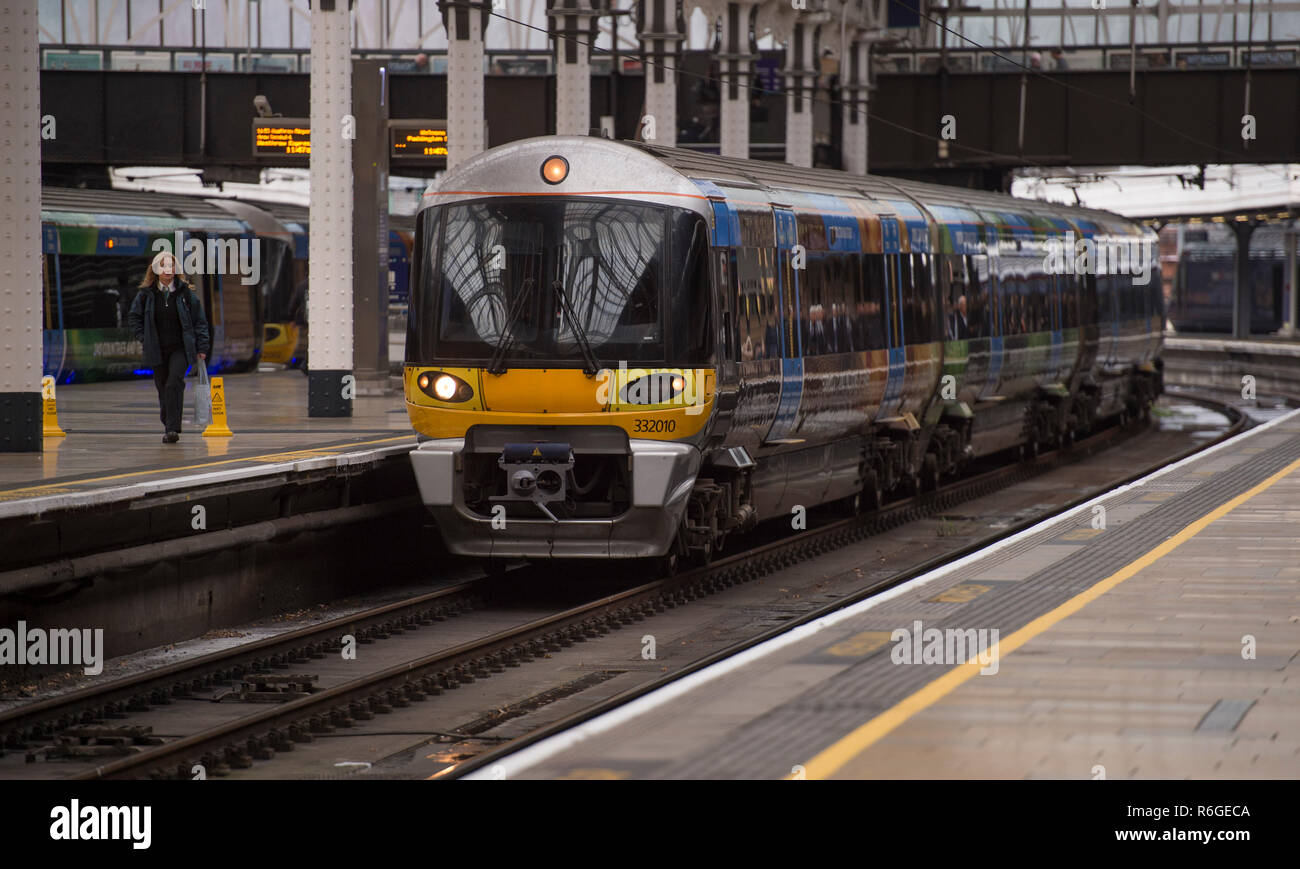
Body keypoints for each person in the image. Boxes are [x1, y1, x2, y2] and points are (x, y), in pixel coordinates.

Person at [127, 251, 211, 443]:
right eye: (164, 266)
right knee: (162, 387)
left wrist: (202, 347)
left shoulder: (185, 294)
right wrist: (143, 337)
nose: (168, 270)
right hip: (156, 348)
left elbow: (200, 321)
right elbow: (134, 317)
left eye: (171, 266)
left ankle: (172, 429)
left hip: (180, 348)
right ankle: (168, 421)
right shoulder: (146, 295)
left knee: (174, 382)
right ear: (155, 270)